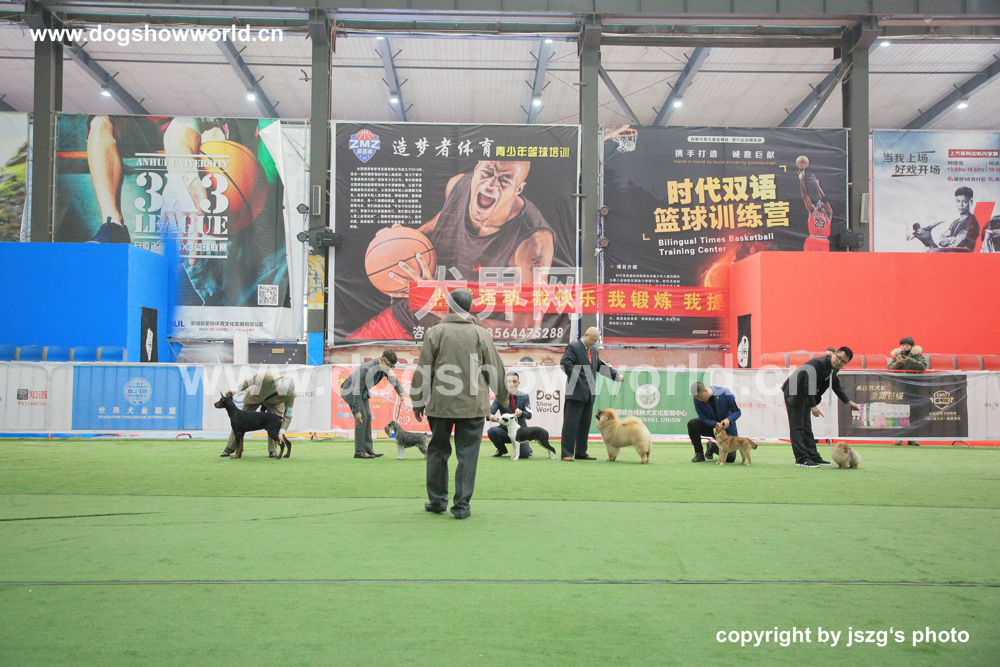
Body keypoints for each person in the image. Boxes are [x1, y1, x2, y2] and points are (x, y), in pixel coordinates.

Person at [349, 159, 559, 341]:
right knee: (350, 357)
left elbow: (526, 329)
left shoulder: (534, 242)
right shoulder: (459, 186)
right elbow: (442, 219)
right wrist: (398, 240)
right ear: (476, 170)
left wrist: (443, 309)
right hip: (414, 319)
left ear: (518, 189)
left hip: (467, 340)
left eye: (504, 180)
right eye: (487, 172)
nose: (490, 184)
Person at [411, 288, 509, 519]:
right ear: (470, 308)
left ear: (448, 306)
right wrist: (503, 397)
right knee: (468, 455)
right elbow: (495, 368)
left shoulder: (435, 332)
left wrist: (418, 402)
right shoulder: (481, 334)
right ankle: (462, 507)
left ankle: (437, 501)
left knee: (437, 452)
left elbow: (423, 369)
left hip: (441, 405)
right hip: (473, 406)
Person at [782, 346, 861, 468]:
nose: (839, 362)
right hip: (794, 391)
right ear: (834, 354)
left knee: (806, 426)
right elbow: (809, 385)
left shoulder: (834, 368)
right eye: (838, 357)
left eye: (843, 361)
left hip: (805, 394)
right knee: (797, 427)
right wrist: (813, 405)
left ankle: (813, 456)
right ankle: (801, 459)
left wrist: (848, 402)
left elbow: (836, 385)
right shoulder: (817, 364)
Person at [560, 326, 624, 461]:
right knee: (570, 425)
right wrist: (579, 379)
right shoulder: (573, 347)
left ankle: (581, 453)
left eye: (596, 341)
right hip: (575, 392)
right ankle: (567, 453)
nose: (593, 343)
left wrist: (616, 376)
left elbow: (600, 366)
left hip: (589, 394)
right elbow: (565, 363)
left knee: (584, 425)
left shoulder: (594, 351)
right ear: (586, 335)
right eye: (592, 340)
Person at [340, 349, 406, 459]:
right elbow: (356, 391)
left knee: (368, 417)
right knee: (362, 417)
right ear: (382, 360)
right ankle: (359, 451)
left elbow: (393, 380)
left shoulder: (385, 367)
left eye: (392, 366)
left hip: (362, 391)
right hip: (351, 391)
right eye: (389, 366)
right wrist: (357, 411)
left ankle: (368, 449)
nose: (390, 369)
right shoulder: (366, 369)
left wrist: (401, 392)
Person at [220, 369, 295, 459]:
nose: (282, 396)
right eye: (281, 393)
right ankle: (230, 447)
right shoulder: (267, 377)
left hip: (274, 404)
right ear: (277, 385)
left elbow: (288, 415)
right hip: (254, 396)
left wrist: (281, 432)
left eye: (284, 395)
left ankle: (273, 450)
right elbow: (248, 381)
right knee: (237, 421)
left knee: (273, 424)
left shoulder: (291, 395)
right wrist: (234, 391)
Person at [888, 336, 926, 447]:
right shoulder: (897, 356)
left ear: (911, 346)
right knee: (899, 413)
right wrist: (898, 362)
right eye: (902, 345)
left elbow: (923, 366)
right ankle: (898, 438)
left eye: (907, 345)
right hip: (900, 388)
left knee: (914, 413)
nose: (904, 347)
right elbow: (889, 369)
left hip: (914, 388)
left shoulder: (918, 356)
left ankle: (912, 438)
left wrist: (908, 360)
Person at [687, 382, 740, 463]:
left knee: (730, 458)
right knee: (692, 424)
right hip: (710, 426)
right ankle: (699, 454)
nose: (699, 399)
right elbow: (703, 418)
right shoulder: (696, 399)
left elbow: (737, 412)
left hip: (725, 430)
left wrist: (729, 419)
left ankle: (712, 446)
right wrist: (715, 424)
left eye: (700, 397)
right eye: (696, 397)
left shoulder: (726, 393)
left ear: (705, 391)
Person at [487, 371, 533, 458]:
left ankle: (526, 448)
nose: (511, 384)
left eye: (514, 381)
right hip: (505, 430)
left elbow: (529, 415)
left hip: (521, 432)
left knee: (524, 455)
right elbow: (490, 413)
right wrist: (490, 416)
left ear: (518, 383)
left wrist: (522, 413)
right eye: (509, 381)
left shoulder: (525, 396)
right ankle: (501, 449)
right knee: (492, 432)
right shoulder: (500, 397)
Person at [930, 187, 980, 251]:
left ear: (971, 202)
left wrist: (949, 240)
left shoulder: (972, 221)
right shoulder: (955, 222)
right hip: (951, 253)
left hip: (965, 255)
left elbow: (962, 236)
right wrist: (951, 239)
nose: (960, 205)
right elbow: (941, 240)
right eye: (958, 201)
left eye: (964, 202)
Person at [799, 170, 833, 252]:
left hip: (824, 241)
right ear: (817, 204)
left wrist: (817, 186)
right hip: (812, 239)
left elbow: (824, 199)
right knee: (808, 259)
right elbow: (805, 196)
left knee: (822, 260)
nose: (821, 203)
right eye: (819, 202)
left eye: (822, 203)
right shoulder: (812, 210)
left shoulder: (829, 213)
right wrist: (801, 180)